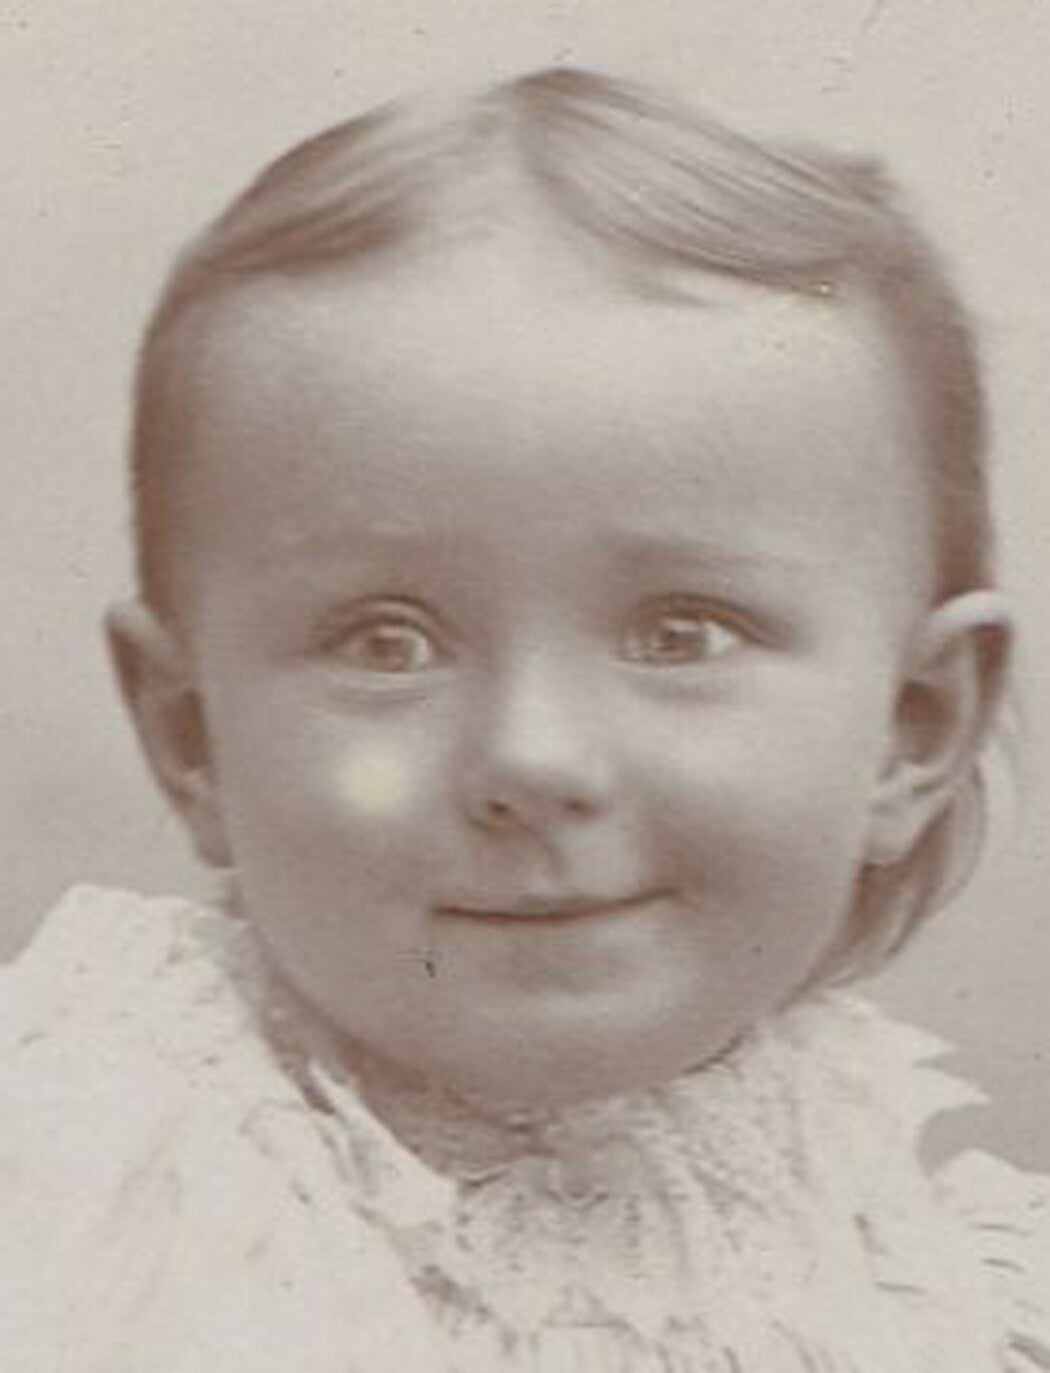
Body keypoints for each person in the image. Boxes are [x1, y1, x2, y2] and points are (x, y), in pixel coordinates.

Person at [1, 67, 1046, 1371]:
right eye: (386, 640)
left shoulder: (924, 1275)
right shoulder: (90, 1199)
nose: (532, 757)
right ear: (189, 734)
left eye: (682, 632)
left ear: (915, 722)